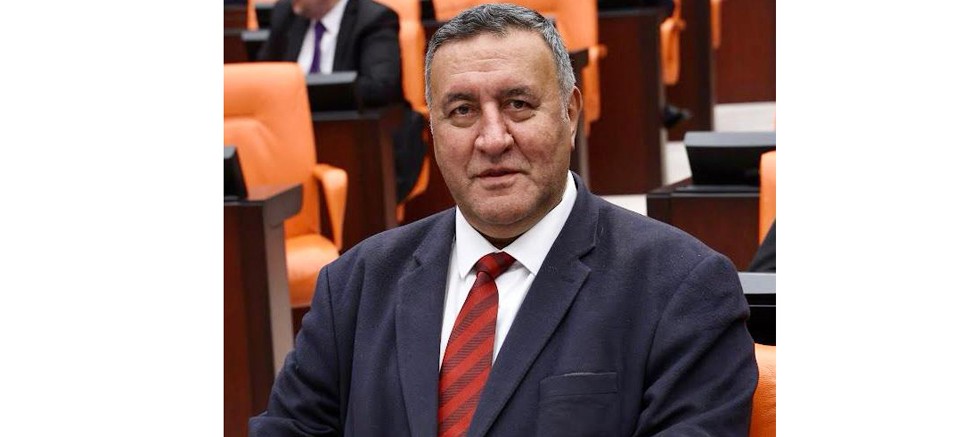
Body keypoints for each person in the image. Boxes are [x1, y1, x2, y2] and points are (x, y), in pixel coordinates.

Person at [249, 4, 757, 436]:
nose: (492, 139)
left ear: (571, 112)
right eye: (462, 111)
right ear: (433, 131)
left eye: (518, 105)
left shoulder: (682, 287)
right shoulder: (355, 286)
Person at [257, 0, 425, 201]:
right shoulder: (286, 13)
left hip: (357, 145)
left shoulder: (374, 18)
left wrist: (302, 92)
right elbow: (263, 80)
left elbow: (381, 87)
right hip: (289, 141)